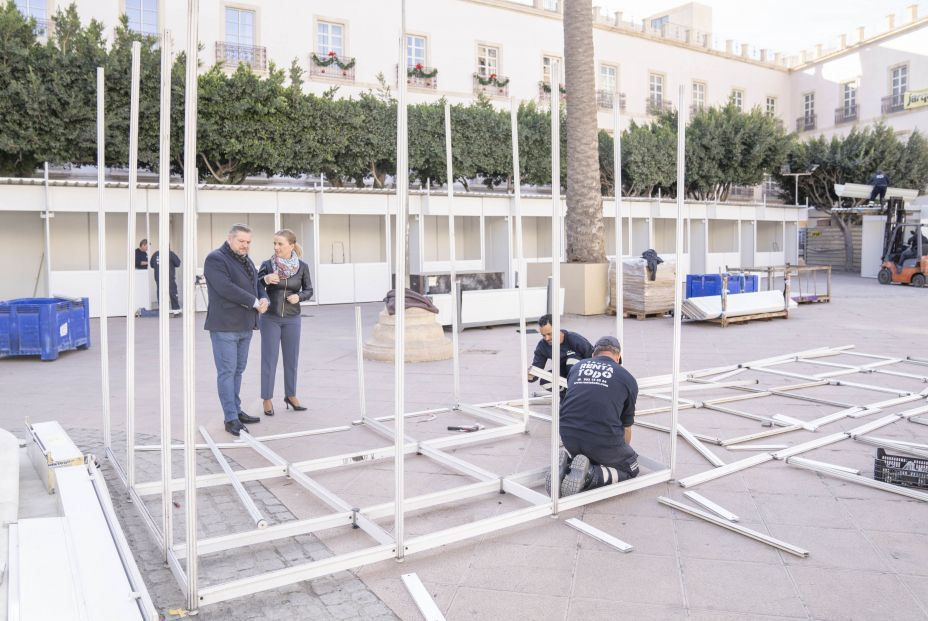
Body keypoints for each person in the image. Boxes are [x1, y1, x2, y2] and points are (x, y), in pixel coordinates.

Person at [546, 336, 639, 497]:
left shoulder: (577, 368)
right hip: (601, 440)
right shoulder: (627, 378)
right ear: (618, 357)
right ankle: (589, 474)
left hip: (568, 437)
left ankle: (568, 465)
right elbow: (626, 426)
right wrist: (620, 454)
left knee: (593, 451)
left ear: (593, 355)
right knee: (631, 468)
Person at [203, 224, 269, 436]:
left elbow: (256, 282)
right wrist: (253, 301)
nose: (245, 245)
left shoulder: (246, 259)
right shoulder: (215, 259)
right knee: (227, 372)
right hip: (225, 327)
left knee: (237, 371)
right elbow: (225, 288)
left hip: (245, 325)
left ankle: (236, 410)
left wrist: (263, 297)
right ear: (230, 239)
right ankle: (230, 418)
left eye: (248, 242)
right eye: (241, 241)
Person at [257, 229, 314, 417]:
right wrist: (265, 280)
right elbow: (257, 285)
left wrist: (299, 296)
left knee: (291, 360)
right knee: (269, 360)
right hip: (270, 318)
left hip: (293, 319)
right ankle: (267, 398)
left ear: (291, 245)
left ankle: (291, 395)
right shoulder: (267, 264)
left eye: (280, 243)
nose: (276, 247)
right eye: (274, 243)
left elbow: (309, 290)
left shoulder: (302, 267)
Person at [527, 314, 593, 394]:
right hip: (563, 374)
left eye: (549, 334)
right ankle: (567, 395)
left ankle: (580, 393)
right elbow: (537, 368)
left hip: (583, 374)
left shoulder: (574, 339)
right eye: (543, 335)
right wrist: (530, 376)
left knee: (571, 361)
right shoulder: (542, 346)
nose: (547, 338)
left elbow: (593, 357)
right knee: (545, 382)